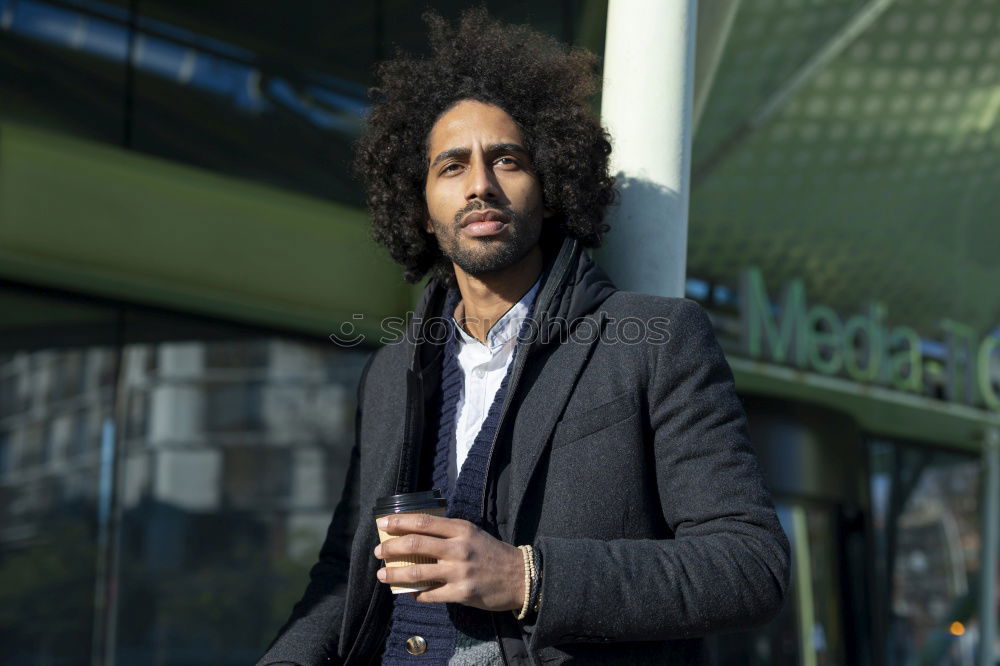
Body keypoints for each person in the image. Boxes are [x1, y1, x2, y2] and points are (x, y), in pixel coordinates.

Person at [257, 8, 789, 666]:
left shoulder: (656, 340)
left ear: (551, 186)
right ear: (421, 209)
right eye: (451, 168)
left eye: (506, 160)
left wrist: (526, 577)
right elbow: (348, 572)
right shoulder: (393, 373)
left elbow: (750, 565)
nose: (480, 185)